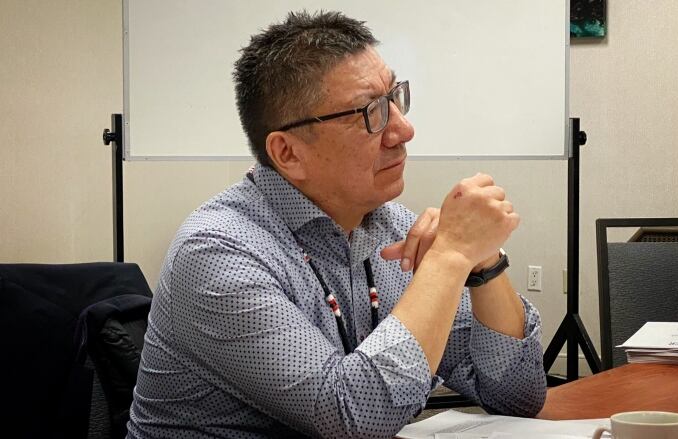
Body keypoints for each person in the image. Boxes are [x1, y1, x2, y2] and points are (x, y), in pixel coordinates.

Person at [127, 10, 546, 439]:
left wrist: (482, 264)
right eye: (369, 112)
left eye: (394, 99)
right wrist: (451, 255)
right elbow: (351, 418)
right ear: (288, 153)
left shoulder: (390, 227)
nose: (403, 129)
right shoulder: (219, 253)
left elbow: (516, 396)